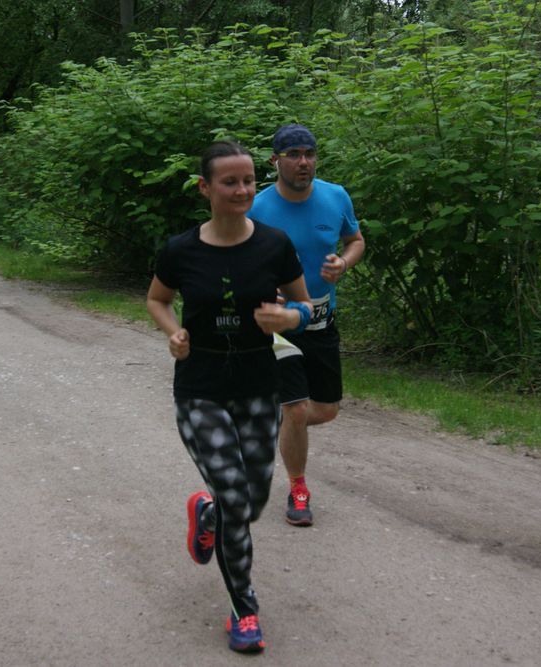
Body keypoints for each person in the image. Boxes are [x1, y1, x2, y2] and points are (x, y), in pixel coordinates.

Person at [146, 140, 312, 654]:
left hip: (259, 384)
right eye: (230, 182)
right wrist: (173, 332)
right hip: (200, 388)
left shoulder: (274, 244)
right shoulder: (181, 250)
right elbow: (156, 299)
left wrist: (289, 317)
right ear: (205, 188)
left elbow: (309, 306)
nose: (242, 190)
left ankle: (210, 515)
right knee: (238, 500)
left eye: (248, 181)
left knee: (252, 501)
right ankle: (244, 609)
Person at [248, 124, 365, 526]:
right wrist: (264, 291)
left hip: (321, 322)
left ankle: (271, 422)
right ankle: (298, 490)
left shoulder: (336, 196)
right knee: (296, 409)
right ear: (275, 161)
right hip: (278, 328)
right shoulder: (258, 209)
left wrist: (343, 263)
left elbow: (356, 240)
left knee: (327, 410)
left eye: (310, 154)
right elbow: (236, 262)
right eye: (294, 154)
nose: (304, 162)